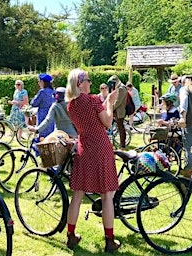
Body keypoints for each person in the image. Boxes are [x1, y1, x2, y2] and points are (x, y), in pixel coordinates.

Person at [65, 68, 121, 253]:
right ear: (80, 83)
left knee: (78, 194)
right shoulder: (93, 100)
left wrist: (105, 102)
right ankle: (109, 239)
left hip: (84, 148)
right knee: (107, 195)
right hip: (100, 148)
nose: (90, 83)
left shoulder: (71, 105)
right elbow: (107, 122)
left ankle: (71, 235)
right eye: (88, 80)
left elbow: (91, 118)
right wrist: (111, 103)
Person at [31, 73, 55, 139]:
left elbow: (34, 103)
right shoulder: (54, 91)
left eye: (39, 81)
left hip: (43, 115)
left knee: (42, 136)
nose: (38, 83)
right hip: (52, 115)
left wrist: (35, 97)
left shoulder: (42, 92)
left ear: (42, 82)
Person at [109, 75, 128, 149]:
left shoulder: (121, 88)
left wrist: (111, 108)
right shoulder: (120, 87)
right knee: (119, 127)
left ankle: (122, 144)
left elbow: (118, 101)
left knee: (121, 128)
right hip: (118, 110)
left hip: (119, 111)